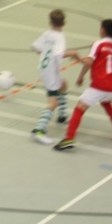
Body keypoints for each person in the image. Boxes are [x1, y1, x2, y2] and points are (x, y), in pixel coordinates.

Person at [54, 19, 112, 151]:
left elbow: (89, 62)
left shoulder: (98, 44)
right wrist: (79, 59)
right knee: (107, 103)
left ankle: (69, 138)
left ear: (102, 30)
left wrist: (80, 77)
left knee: (80, 107)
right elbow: (98, 63)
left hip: (100, 84)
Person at [30, 10, 79, 144]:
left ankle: (62, 117)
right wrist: (73, 53)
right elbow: (58, 54)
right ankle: (39, 130)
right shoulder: (60, 37)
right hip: (51, 71)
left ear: (50, 22)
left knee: (63, 85)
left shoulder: (47, 34)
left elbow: (34, 46)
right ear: (64, 23)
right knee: (53, 102)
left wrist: (44, 51)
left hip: (44, 68)